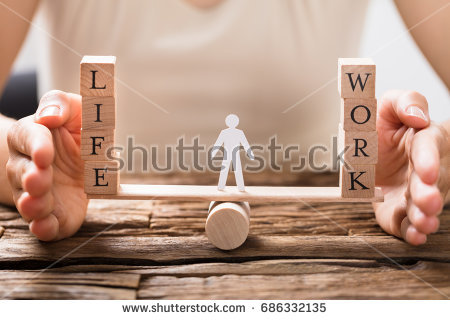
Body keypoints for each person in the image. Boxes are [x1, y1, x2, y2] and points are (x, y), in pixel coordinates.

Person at [0, 0, 448, 245]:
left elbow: (232, 151)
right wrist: (16, 158)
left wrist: (433, 156)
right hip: (106, 220)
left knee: (231, 172)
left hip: (315, 217)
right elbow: (228, 151)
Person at [211, 114, 254, 191]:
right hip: (228, 154)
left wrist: (250, 153)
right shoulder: (225, 132)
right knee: (225, 170)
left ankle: (239, 187)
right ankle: (222, 186)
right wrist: (213, 153)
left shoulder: (238, 132)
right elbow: (218, 143)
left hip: (234, 154)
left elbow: (245, 143)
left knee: (236, 171)